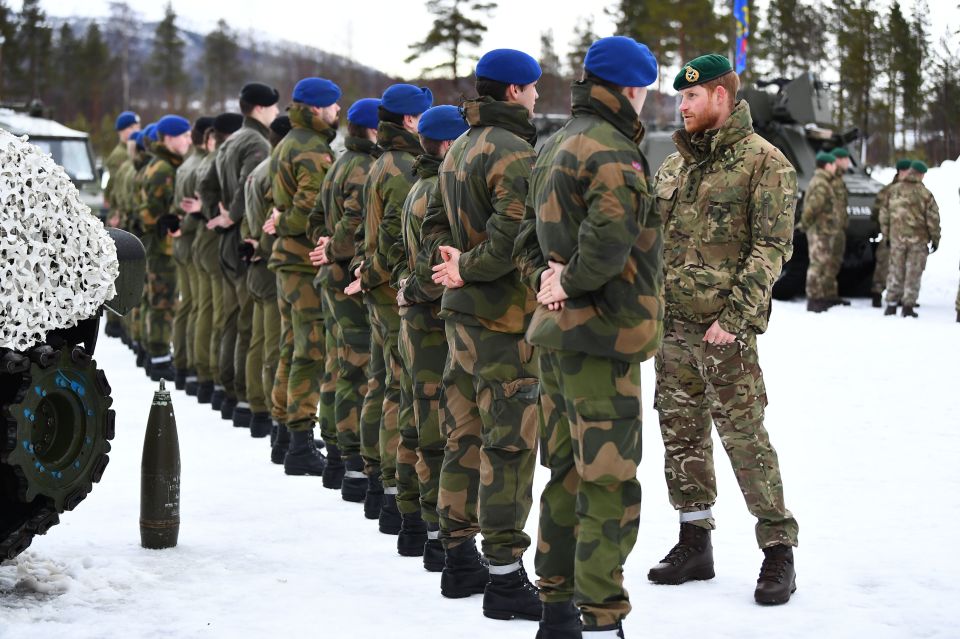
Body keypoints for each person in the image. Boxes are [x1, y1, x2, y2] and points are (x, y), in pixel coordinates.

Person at [513, 36, 662, 638]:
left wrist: (548, 284)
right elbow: (608, 240)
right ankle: (600, 617)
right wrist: (570, 283)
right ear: (631, 88)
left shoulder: (553, 145)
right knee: (608, 482)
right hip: (603, 339)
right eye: (647, 89)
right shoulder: (611, 150)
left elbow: (527, 241)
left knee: (566, 473)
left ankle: (556, 606)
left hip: (558, 339)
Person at [647, 53, 799, 606]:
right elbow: (649, 242)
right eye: (679, 96)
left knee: (745, 440)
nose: (681, 105)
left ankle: (778, 548)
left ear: (720, 96)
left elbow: (771, 248)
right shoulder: (674, 165)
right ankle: (695, 542)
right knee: (680, 436)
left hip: (723, 333)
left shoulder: (766, 164)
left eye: (690, 96)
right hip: (672, 330)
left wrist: (734, 320)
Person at [421, 47, 542, 620]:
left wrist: (448, 261)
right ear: (516, 91)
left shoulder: (460, 147)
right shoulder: (514, 152)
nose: (538, 97)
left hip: (461, 316)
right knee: (509, 445)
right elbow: (513, 238)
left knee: (462, 437)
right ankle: (504, 576)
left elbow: (434, 221)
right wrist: (465, 265)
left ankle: (459, 559)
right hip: (503, 321)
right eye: (534, 88)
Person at [345, 84, 432, 530]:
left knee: (383, 383)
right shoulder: (400, 166)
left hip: (378, 287)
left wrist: (365, 269)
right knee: (401, 390)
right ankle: (397, 493)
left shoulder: (382, 160)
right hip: (390, 292)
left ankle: (383, 485)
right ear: (411, 121)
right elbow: (398, 238)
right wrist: (384, 276)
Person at [394, 104, 468, 567]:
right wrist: (415, 289)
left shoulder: (417, 187)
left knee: (417, 418)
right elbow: (428, 269)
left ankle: (416, 524)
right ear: (445, 146)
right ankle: (436, 531)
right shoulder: (433, 192)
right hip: (431, 320)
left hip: (417, 320)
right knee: (436, 428)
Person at [309, 98, 383, 501]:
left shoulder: (339, 160)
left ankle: (338, 452)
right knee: (356, 368)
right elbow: (353, 221)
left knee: (339, 364)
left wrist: (324, 244)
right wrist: (335, 248)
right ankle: (351, 461)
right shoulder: (362, 166)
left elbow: (318, 218)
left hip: (332, 276)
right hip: (346, 277)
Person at [268, 77, 341, 476]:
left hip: (287, 260)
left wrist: (280, 221)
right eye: (332, 105)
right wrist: (286, 224)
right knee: (309, 350)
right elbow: (308, 206)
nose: (337, 111)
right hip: (300, 259)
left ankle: (284, 432)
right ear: (315, 108)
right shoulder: (311, 147)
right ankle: (297, 440)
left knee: (290, 344)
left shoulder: (289, 141)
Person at [202, 82, 279, 426]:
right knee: (248, 325)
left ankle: (232, 392)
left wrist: (214, 216)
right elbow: (251, 185)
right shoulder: (256, 141)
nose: (277, 113)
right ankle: (248, 400)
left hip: (227, 240)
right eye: (274, 107)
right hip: (244, 240)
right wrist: (231, 217)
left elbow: (207, 184)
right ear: (261, 108)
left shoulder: (230, 140)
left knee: (233, 320)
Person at [182, 113, 243, 405]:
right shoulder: (217, 160)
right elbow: (207, 196)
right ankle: (212, 376)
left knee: (205, 309)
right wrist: (216, 213)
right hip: (213, 239)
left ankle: (204, 373)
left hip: (203, 241)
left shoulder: (201, 161)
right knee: (221, 313)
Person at [243, 115, 291, 440]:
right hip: (270, 264)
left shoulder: (257, 172)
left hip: (256, 265)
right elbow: (271, 225)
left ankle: (259, 409)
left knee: (259, 342)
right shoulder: (275, 172)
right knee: (275, 347)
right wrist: (264, 245)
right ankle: (274, 416)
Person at [140, 115, 193, 382]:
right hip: (161, 248)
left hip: (160, 246)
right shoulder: (162, 168)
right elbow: (147, 212)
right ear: (170, 138)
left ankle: (155, 353)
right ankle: (159, 358)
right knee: (163, 301)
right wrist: (166, 220)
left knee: (158, 300)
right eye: (184, 135)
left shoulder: (163, 164)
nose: (189, 140)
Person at [172, 116, 214, 392]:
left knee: (189, 305)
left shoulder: (187, 164)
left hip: (185, 243)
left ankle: (183, 363)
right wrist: (184, 225)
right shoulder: (201, 165)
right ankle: (198, 369)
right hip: (197, 238)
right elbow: (191, 209)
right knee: (202, 307)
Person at [880, 160, 941, 318]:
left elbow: (884, 215)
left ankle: (891, 305)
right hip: (918, 242)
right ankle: (908, 306)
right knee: (913, 273)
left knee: (895, 271)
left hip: (896, 240)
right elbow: (933, 219)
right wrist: (935, 239)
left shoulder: (892, 191)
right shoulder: (925, 194)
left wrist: (886, 235)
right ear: (920, 174)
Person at [801, 151, 839, 313]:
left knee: (822, 263)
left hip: (823, 229)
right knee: (817, 264)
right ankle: (814, 299)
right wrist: (804, 224)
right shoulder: (821, 183)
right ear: (827, 165)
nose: (835, 168)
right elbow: (813, 207)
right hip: (819, 230)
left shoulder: (822, 181)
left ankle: (820, 297)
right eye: (833, 164)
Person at [871, 159, 913, 307]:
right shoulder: (888, 191)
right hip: (890, 235)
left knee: (905, 266)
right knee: (884, 264)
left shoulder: (913, 189)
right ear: (902, 171)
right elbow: (878, 211)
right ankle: (877, 292)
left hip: (908, 235)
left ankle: (901, 296)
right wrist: (885, 231)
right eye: (909, 171)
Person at [827, 146, 852, 306]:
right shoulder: (830, 178)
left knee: (834, 262)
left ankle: (830, 294)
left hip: (838, 227)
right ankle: (821, 296)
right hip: (829, 228)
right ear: (837, 160)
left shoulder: (840, 178)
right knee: (826, 262)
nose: (849, 162)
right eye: (845, 159)